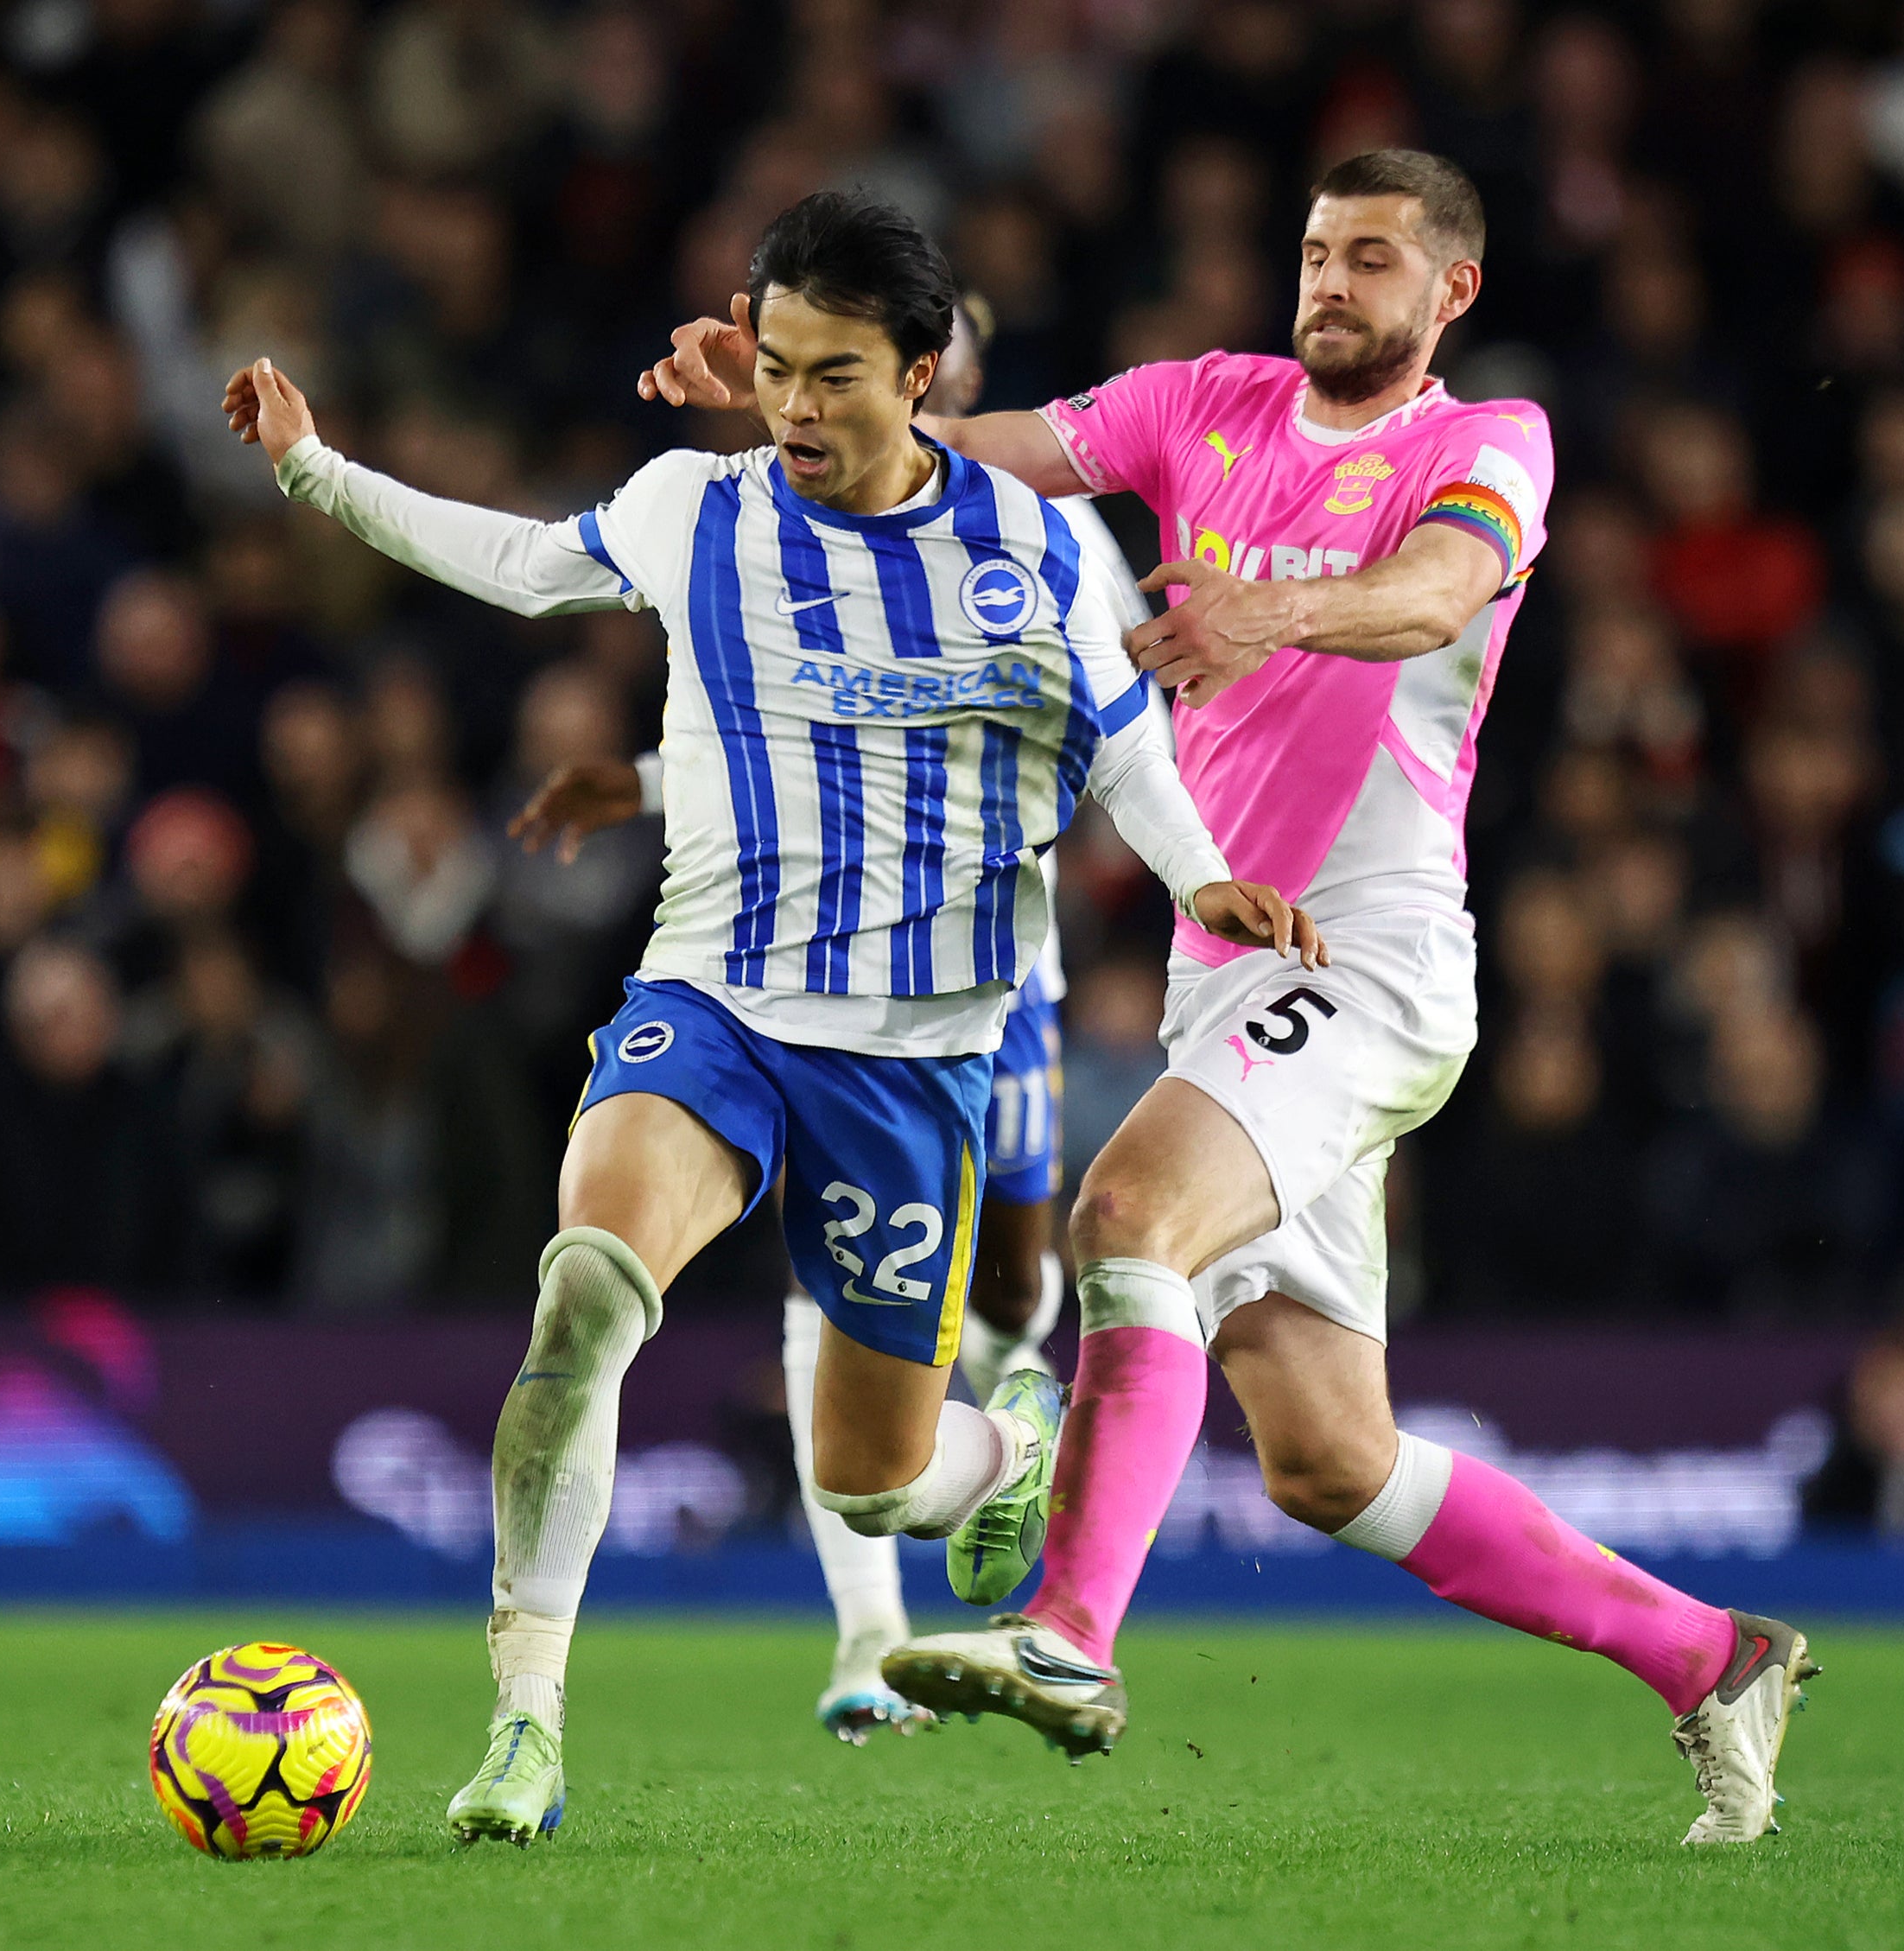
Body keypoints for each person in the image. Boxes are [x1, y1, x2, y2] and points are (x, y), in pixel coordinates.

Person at [639, 146, 1818, 1846]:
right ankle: (1712, 1655)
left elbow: (1438, 590)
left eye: (1372, 261)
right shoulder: (1201, 404)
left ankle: (1067, 1635)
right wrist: (784, 415)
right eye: (1316, 251)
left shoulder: (1485, 447)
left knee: (1128, 1210)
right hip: (1232, 975)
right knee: (1330, 1459)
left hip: (1375, 952)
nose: (1331, 282)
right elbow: (970, 460)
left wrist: (1278, 611)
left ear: (1449, 295)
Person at [229, 189, 1321, 1846]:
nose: (800, 409)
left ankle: (1004, 1439)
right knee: (585, 1290)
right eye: (782, 370)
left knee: (871, 1478)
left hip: (915, 1062)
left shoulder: (1028, 548)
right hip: (716, 1000)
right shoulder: (696, 509)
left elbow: (1116, 736)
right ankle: (524, 1723)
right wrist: (317, 467)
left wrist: (1200, 874)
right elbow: (520, 568)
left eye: (837, 376)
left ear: (923, 374)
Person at [510, 291, 1153, 1744]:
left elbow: (1116, 733)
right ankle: (869, 1634)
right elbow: (800, 729)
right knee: (827, 1269)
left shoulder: (1039, 528)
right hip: (832, 982)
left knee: (1008, 1298)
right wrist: (654, 782)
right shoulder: (787, 517)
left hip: (1003, 985)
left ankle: (1018, 1496)